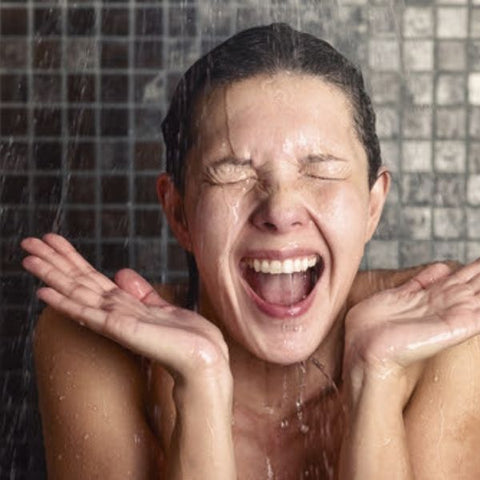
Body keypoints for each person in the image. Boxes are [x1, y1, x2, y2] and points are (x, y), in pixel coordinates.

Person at [21, 23, 480, 479]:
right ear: (179, 212)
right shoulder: (97, 343)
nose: (280, 209)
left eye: (319, 171)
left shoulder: (447, 334)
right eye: (232, 173)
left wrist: (376, 376)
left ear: (373, 205)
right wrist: (201, 385)